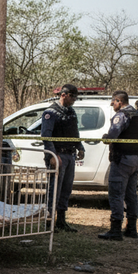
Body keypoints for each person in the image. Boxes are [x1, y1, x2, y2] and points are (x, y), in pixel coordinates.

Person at [98, 90, 138, 240]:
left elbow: (112, 136)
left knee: (116, 194)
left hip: (122, 160)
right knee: (131, 195)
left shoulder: (122, 115)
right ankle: (131, 228)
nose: (113, 105)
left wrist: (106, 138)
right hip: (136, 158)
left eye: (113, 102)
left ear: (119, 101)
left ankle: (115, 229)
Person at [41, 84, 85, 232]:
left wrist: (80, 147)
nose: (74, 100)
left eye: (75, 98)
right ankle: (49, 222)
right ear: (63, 95)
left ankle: (61, 221)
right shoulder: (51, 112)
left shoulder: (71, 112)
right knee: (54, 190)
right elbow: (46, 136)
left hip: (70, 154)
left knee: (66, 189)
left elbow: (74, 131)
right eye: (72, 97)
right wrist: (52, 156)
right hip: (58, 154)